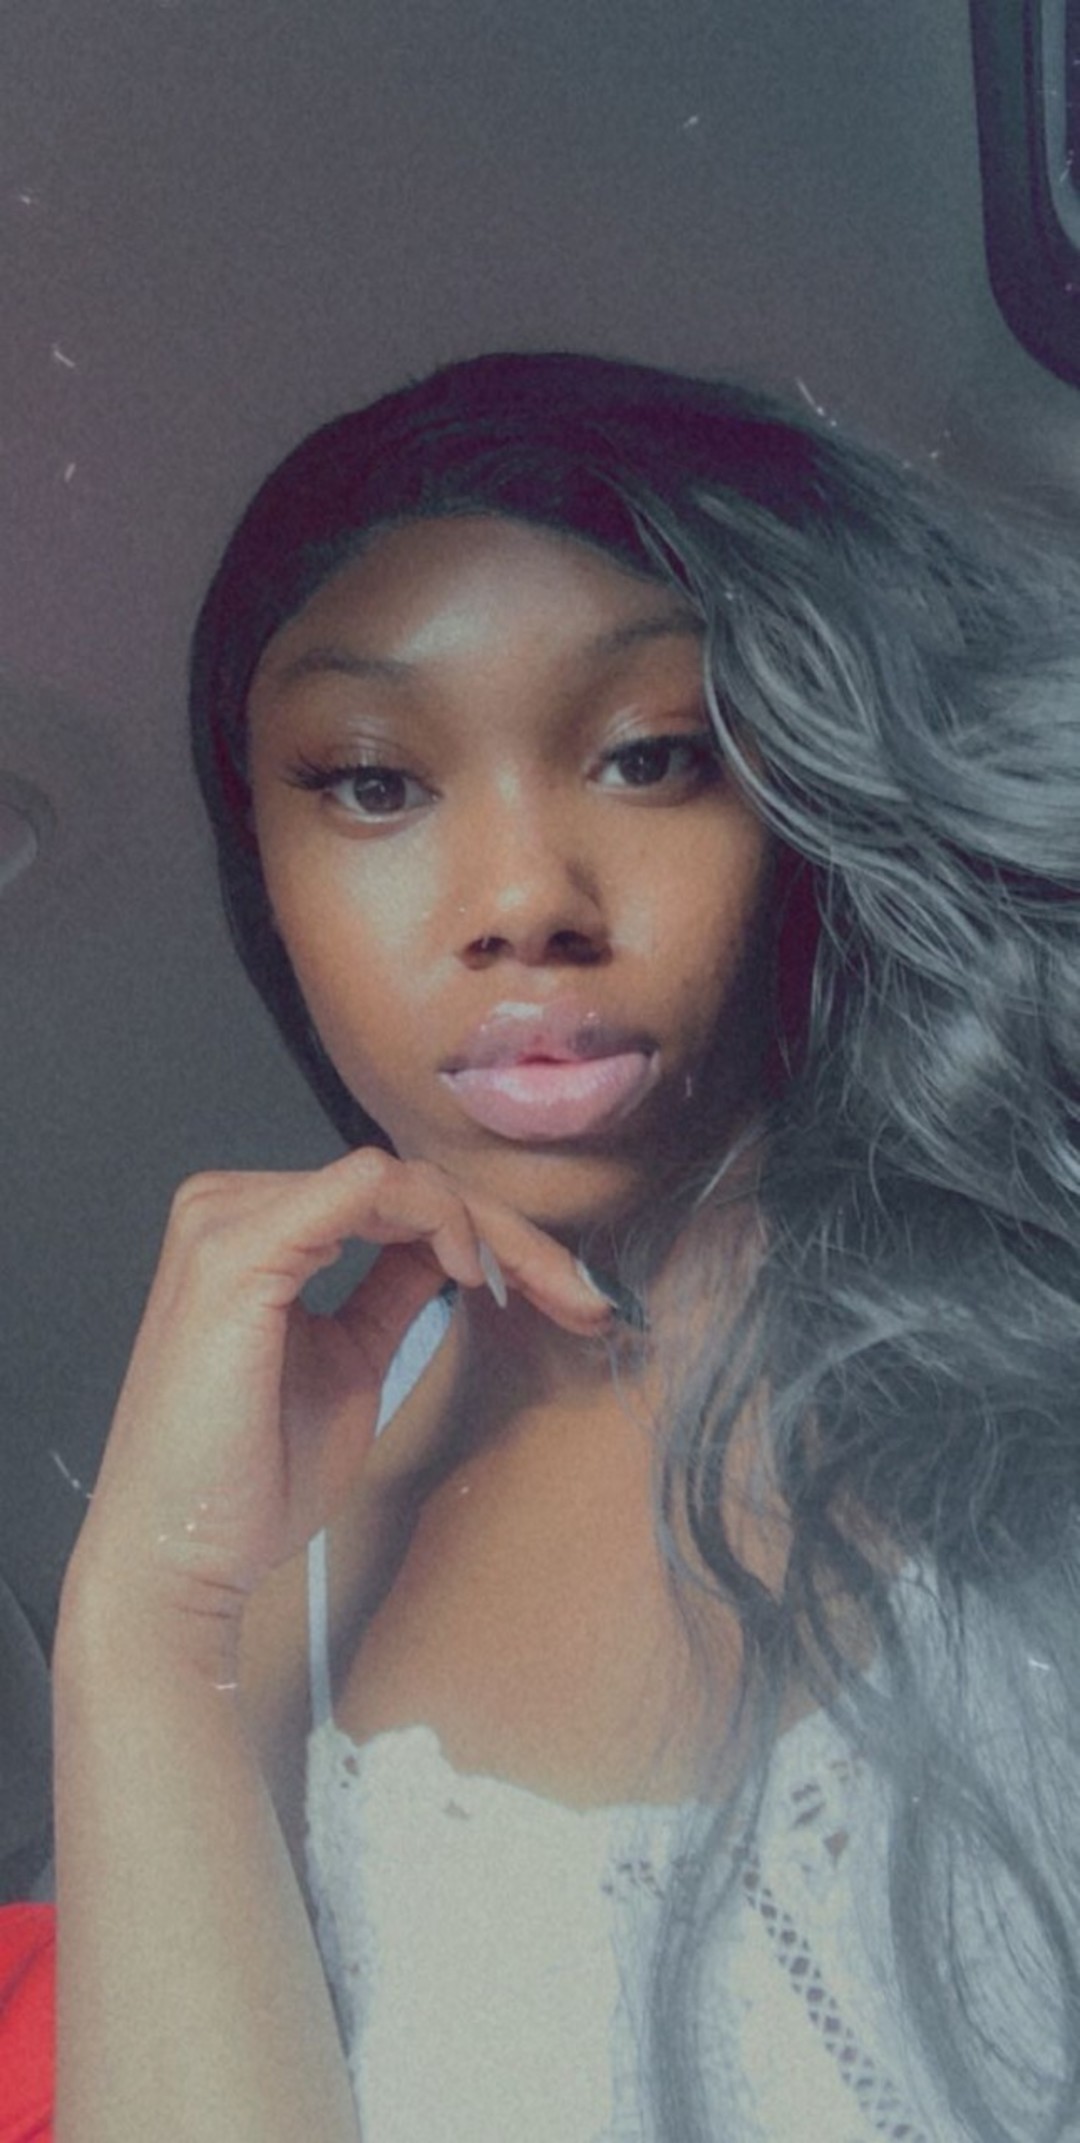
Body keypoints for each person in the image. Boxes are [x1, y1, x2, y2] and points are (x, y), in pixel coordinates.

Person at [48, 351, 1080, 2142]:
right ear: (264, 869)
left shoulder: (1036, 1305)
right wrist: (141, 1633)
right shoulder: (272, 1594)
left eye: (652, 756)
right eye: (374, 783)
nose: (525, 896)